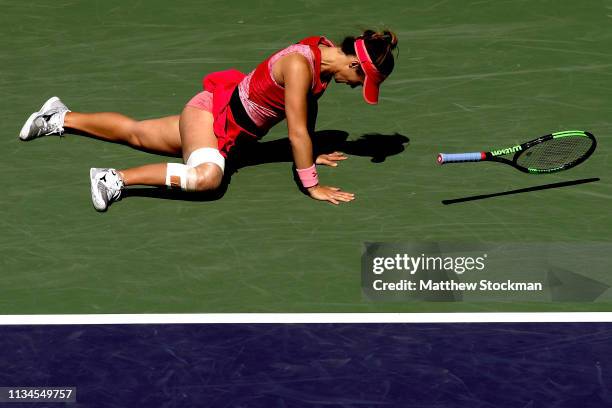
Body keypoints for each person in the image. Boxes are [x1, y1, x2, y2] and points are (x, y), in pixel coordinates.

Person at [19, 30, 398, 211]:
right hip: (212, 119)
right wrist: (311, 184)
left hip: (218, 118)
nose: (356, 87)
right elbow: (295, 129)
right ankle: (113, 179)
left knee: (136, 132)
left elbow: (306, 111)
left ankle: (59, 116)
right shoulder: (300, 65)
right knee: (206, 179)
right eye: (362, 80)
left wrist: (311, 150)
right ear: (353, 62)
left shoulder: (322, 57)